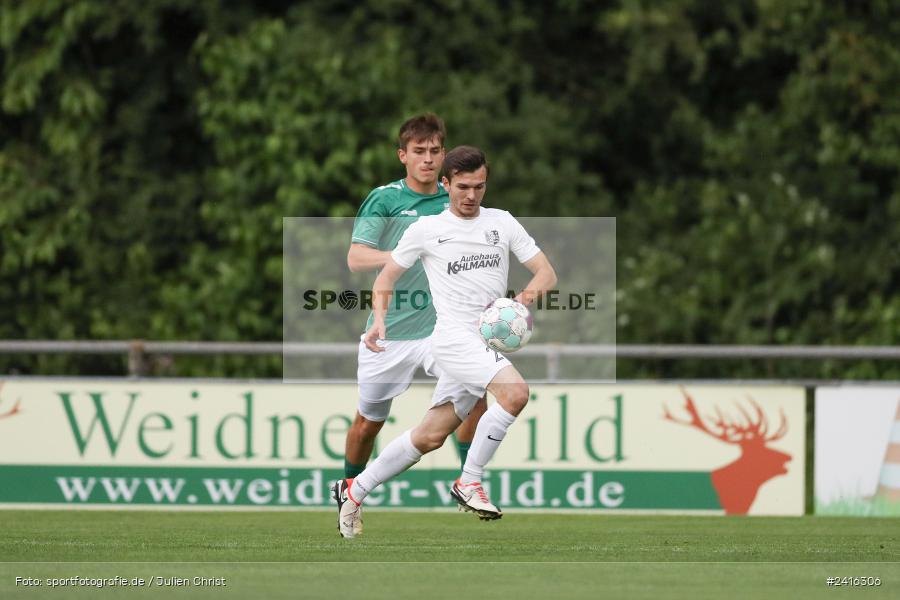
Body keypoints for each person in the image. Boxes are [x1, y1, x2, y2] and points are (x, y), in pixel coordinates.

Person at [333, 145, 557, 538]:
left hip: (485, 340)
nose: (471, 196)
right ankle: (469, 479)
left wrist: (517, 305)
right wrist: (379, 320)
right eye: (463, 187)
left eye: (480, 187)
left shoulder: (502, 222)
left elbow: (545, 273)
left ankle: (355, 489)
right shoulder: (426, 230)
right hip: (453, 339)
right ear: (446, 184)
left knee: (430, 436)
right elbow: (386, 277)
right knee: (516, 393)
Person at [337, 114, 487, 536]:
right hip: (392, 331)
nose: (427, 159)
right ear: (403, 155)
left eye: (435, 151)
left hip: (444, 330)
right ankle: (349, 487)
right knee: (369, 422)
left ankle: (467, 481)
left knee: (476, 394)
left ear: (444, 155)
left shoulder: (456, 199)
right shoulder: (384, 200)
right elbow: (356, 258)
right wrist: (411, 251)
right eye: (418, 152)